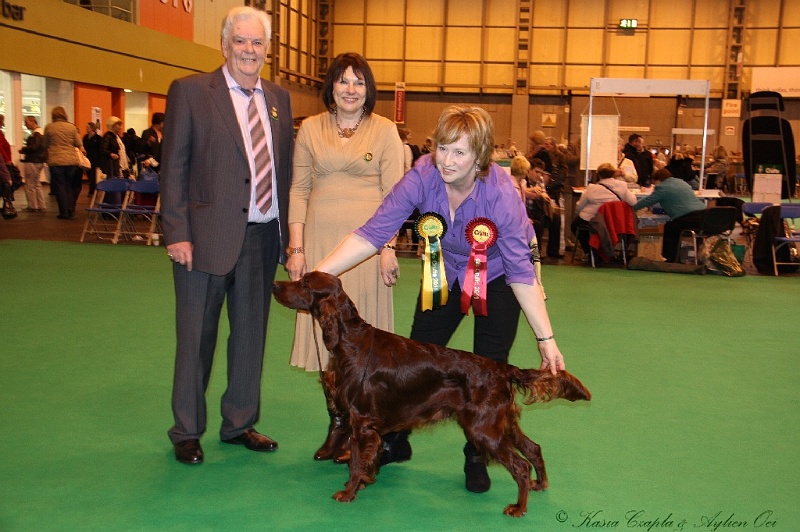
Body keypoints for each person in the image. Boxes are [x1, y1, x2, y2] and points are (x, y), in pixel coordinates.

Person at [314, 105, 565, 495]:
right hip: (444, 273)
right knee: (413, 360)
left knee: (488, 369)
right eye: (442, 148)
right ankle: (396, 440)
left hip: (498, 277)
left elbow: (520, 272)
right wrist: (321, 274)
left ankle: (476, 454)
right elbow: (372, 232)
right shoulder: (422, 176)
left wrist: (545, 338)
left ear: (480, 156)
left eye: (459, 152)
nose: (447, 160)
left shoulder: (501, 195)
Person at [160, 5, 295, 466]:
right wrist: (176, 231)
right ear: (224, 45)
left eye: (257, 43)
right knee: (196, 337)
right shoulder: (191, 92)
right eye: (241, 41)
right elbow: (174, 167)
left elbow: (285, 171)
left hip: (261, 239)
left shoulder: (279, 99)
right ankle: (187, 430)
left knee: (250, 338)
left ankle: (239, 422)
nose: (249, 50)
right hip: (203, 239)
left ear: (267, 50)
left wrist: (287, 237)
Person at [286, 52, 404, 464]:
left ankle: (365, 430)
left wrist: (388, 248)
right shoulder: (310, 130)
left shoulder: (386, 131)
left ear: (368, 89)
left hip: (367, 247)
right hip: (320, 243)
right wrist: (297, 250)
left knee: (365, 348)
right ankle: (337, 424)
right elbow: (298, 190)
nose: (351, 89)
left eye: (358, 82)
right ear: (331, 88)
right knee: (328, 344)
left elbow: (397, 197)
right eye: (343, 81)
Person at [633, 168, 707, 262]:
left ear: (658, 180)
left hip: (687, 217)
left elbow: (647, 201)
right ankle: (695, 257)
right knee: (682, 230)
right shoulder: (681, 182)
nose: (654, 185)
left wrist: (632, 208)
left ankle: (670, 258)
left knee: (669, 228)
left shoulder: (662, 187)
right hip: (703, 215)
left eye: (655, 183)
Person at [571, 162, 638, 256]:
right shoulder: (622, 186)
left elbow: (579, 206)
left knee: (575, 226)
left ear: (598, 174)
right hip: (614, 222)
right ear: (613, 173)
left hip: (593, 220)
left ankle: (589, 251)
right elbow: (633, 201)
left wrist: (578, 212)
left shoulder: (591, 189)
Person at [43, 106, 84, 219]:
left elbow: (45, 144)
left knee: (60, 186)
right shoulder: (71, 127)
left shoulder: (49, 127)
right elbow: (78, 143)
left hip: (56, 160)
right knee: (70, 185)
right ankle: (70, 207)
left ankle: (64, 212)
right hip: (71, 161)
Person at [19, 116, 48, 212]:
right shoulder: (41, 132)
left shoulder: (36, 133)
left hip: (33, 161)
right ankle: (41, 205)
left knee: (30, 185)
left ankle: (33, 206)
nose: (25, 124)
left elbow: (34, 147)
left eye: (26, 122)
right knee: (37, 184)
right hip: (39, 161)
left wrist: (23, 149)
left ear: (33, 121)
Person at [82, 122, 103, 196]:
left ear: (92, 128)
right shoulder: (85, 138)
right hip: (87, 159)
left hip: (95, 160)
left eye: (88, 127)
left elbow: (100, 150)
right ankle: (92, 189)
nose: (86, 129)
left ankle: (92, 191)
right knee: (89, 175)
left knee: (93, 176)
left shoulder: (98, 139)